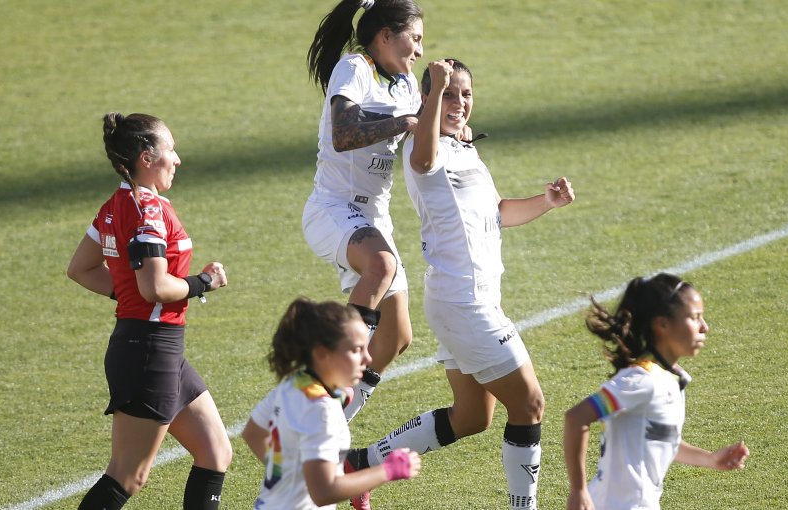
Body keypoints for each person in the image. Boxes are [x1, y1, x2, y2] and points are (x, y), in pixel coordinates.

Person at [345, 59, 575, 510]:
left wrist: (546, 202)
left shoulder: (465, 149)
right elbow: (425, 159)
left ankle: (360, 464)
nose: (459, 103)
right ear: (427, 99)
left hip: (464, 300)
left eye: (465, 94)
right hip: (465, 303)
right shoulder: (423, 144)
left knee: (472, 417)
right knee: (529, 404)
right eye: (448, 93)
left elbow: (498, 212)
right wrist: (433, 96)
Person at [67, 113, 232, 509]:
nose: (177, 159)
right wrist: (204, 282)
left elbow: (82, 269)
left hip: (158, 348)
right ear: (146, 157)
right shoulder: (148, 211)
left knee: (215, 452)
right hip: (149, 351)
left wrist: (129, 295)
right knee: (128, 475)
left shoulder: (117, 205)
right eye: (170, 150)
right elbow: (156, 287)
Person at [302, 0, 426, 423]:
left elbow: (419, 139)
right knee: (382, 263)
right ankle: (323, 379)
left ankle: (335, 423)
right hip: (333, 209)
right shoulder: (356, 67)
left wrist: (448, 129)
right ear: (386, 35)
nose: (420, 51)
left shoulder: (406, 83)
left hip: (375, 218)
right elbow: (343, 134)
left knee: (396, 338)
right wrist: (405, 123)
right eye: (415, 38)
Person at [563, 273, 750, 510]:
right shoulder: (641, 380)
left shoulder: (669, 379)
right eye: (695, 318)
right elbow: (576, 417)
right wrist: (578, 491)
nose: (705, 327)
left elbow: (659, 440)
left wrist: (709, 459)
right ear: (662, 324)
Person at [241, 298, 421, 510]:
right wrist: (386, 471)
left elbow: (253, 433)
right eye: (356, 350)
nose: (367, 358)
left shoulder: (294, 384)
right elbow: (324, 492)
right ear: (322, 353)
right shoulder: (322, 410)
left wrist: (288, 474)